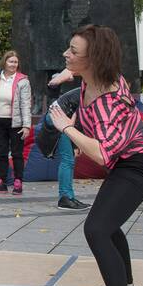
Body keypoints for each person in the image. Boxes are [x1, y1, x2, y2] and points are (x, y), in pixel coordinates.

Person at [49, 24, 143, 286]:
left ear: (93, 60)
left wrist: (67, 127)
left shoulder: (112, 100)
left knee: (97, 229)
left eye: (73, 52)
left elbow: (101, 152)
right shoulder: (91, 80)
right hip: (125, 166)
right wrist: (68, 74)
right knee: (108, 226)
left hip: (137, 170)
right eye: (69, 48)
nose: (66, 54)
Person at [0, 51, 32, 195]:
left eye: (15, 62)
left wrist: (26, 125)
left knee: (17, 153)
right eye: (11, 62)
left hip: (16, 122)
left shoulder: (22, 81)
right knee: (1, 153)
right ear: (4, 63)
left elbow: (25, 105)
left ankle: (18, 182)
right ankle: (1, 182)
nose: (13, 65)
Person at [43, 67, 89, 210]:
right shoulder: (87, 94)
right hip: (58, 117)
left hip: (58, 116)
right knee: (67, 159)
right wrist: (77, 145)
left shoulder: (86, 91)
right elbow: (78, 121)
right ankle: (65, 198)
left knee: (68, 159)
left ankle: (68, 197)